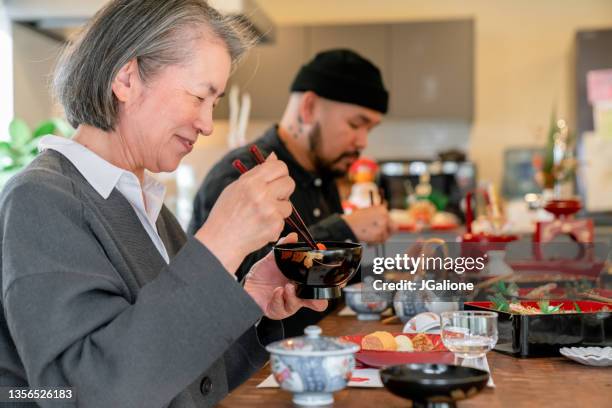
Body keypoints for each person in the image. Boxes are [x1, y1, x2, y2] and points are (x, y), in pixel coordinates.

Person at [0, 1, 326, 407]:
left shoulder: (146, 206)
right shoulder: (40, 200)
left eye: (215, 102)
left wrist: (252, 299)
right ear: (126, 79)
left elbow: (181, 377)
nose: (207, 122)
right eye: (198, 96)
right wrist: (220, 243)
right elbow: (83, 393)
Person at [189, 49, 394, 337]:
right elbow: (247, 282)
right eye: (355, 125)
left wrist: (396, 271)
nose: (362, 141)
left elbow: (324, 277)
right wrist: (344, 227)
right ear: (308, 107)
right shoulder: (243, 177)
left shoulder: (322, 175)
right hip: (257, 369)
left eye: (368, 130)